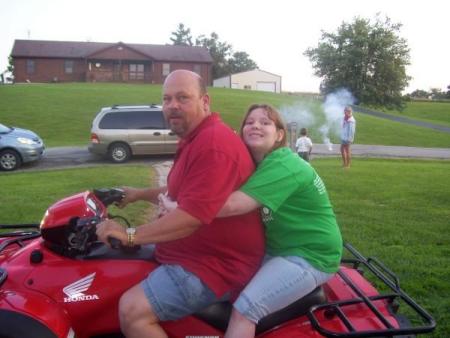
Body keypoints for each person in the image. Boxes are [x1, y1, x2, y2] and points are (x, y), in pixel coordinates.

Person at [96, 70, 265, 338]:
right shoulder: (196, 137)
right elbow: (187, 191)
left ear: (205, 102)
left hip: (215, 267)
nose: (172, 105)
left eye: (183, 98)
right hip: (192, 255)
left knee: (132, 309)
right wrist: (140, 194)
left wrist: (130, 235)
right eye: (167, 99)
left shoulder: (213, 144)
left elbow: (190, 217)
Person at [160, 104, 343, 338]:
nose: (255, 125)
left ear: (279, 135)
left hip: (309, 255)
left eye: (265, 122)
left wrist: (181, 209)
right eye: (250, 122)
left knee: (245, 311)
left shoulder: (285, 165)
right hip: (279, 248)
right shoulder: (257, 165)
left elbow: (232, 204)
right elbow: (205, 190)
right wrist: (145, 195)